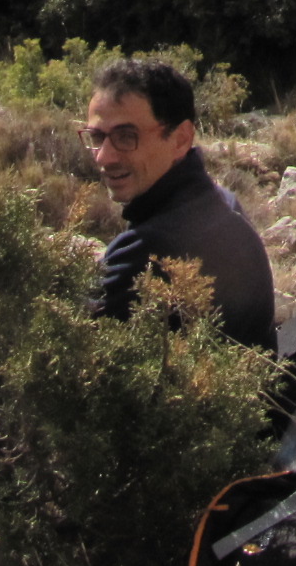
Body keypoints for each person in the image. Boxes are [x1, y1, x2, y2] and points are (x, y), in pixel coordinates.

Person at [86, 58, 277, 351]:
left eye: (127, 137)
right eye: (98, 137)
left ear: (180, 139)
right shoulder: (222, 202)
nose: (104, 157)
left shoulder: (145, 254)